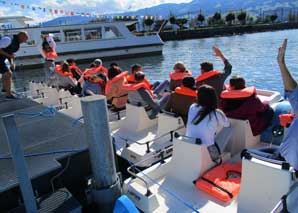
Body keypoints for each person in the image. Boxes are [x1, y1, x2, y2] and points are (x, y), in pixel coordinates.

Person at [277, 39, 298, 170]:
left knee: (247, 154)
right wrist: (281, 63)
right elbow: (292, 90)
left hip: (286, 166)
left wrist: (281, 63)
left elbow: (292, 90)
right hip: (287, 163)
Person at [0, 31, 28, 98]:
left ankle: (5, 89)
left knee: (7, 73)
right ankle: (8, 95)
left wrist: (12, 63)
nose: (24, 41)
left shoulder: (16, 43)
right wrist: (9, 56)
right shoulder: (8, 39)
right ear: (21, 36)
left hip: (1, 59)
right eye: (25, 39)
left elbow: (10, 54)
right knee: (8, 73)